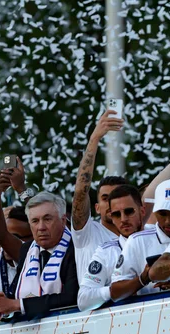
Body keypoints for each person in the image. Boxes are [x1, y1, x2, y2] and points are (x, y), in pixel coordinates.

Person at [0, 193, 78, 320]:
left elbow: (72, 297)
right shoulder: (27, 249)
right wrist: (1, 302)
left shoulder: (76, 248)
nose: (41, 227)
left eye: (47, 219)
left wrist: (17, 304)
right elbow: (16, 296)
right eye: (35, 221)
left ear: (63, 220)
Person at [109, 178, 170, 302]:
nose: (168, 221)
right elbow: (115, 292)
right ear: (155, 211)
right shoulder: (137, 241)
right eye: (162, 214)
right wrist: (143, 279)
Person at [71, 110, 127, 282]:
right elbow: (81, 192)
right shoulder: (87, 233)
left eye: (117, 197)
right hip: (95, 308)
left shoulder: (137, 235)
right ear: (96, 207)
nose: (111, 204)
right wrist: (94, 139)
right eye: (105, 199)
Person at [77, 185, 146, 311]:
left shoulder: (160, 238)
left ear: (142, 211)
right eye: (116, 214)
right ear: (112, 219)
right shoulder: (105, 252)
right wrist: (114, 291)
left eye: (129, 211)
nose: (123, 219)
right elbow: (83, 300)